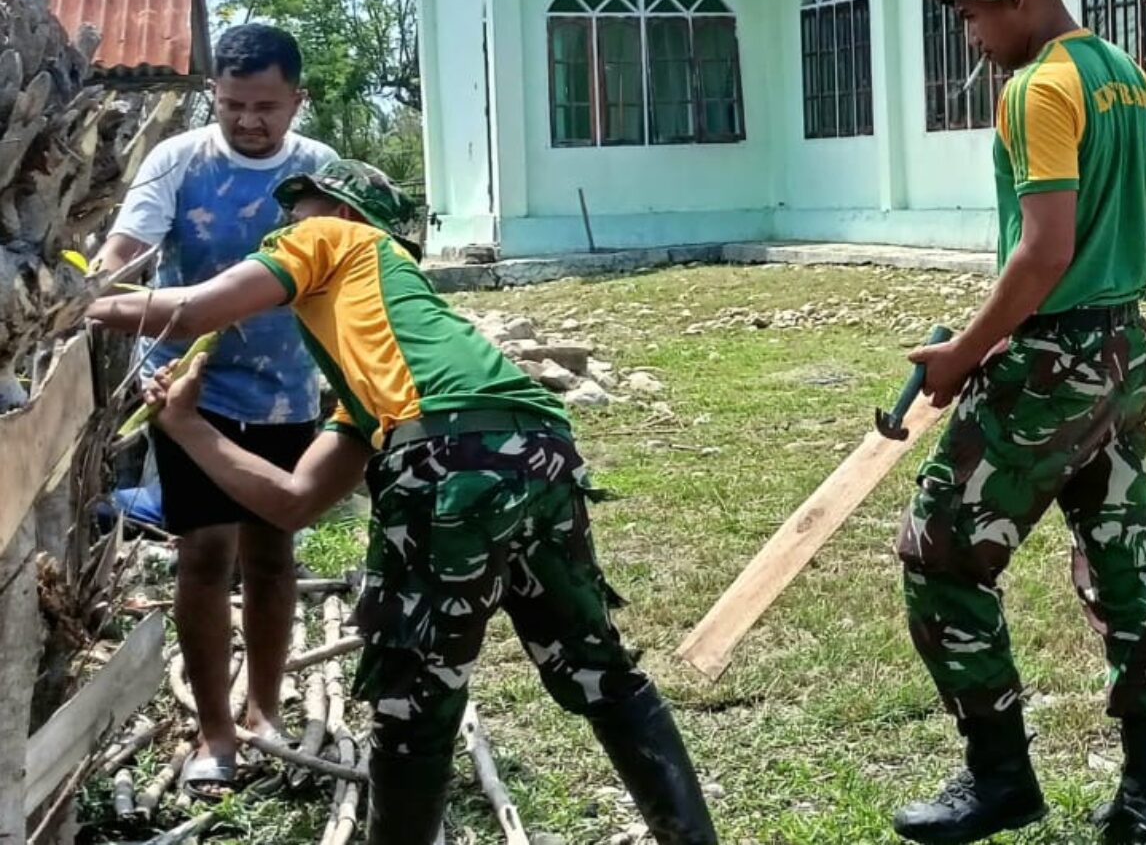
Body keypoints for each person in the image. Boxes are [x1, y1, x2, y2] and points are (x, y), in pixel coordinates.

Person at [87, 160, 719, 845]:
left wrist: (78, 302)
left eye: (298, 211)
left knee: (411, 705)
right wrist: (186, 426)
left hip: (447, 458)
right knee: (601, 673)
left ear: (346, 215)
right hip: (539, 450)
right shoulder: (392, 363)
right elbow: (293, 502)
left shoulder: (336, 238)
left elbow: (193, 310)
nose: (283, 231)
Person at [891, 0, 1146, 845]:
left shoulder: (1035, 88)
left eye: (977, 15)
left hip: (1053, 361)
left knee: (939, 551)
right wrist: (1109, 227)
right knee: (1121, 557)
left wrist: (963, 353)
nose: (970, 35)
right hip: (1123, 353)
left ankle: (999, 779)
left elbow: (1042, 251)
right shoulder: (1112, 66)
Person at [93, 24, 338, 794]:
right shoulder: (178, 160)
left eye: (266, 105)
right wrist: (95, 281)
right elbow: (126, 250)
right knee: (203, 555)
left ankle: (263, 709)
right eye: (233, 105)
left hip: (288, 390)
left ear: (297, 99)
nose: (249, 121)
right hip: (185, 390)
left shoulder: (318, 170)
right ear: (214, 97)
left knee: (272, 555)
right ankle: (215, 732)